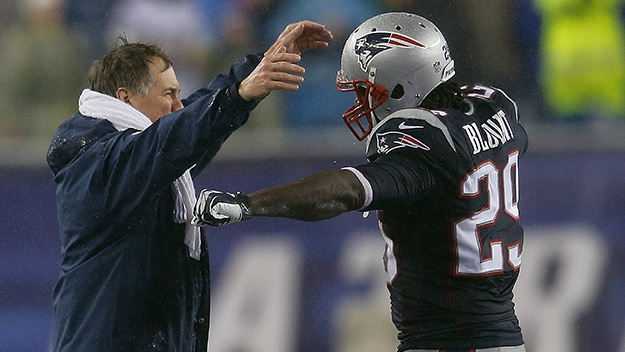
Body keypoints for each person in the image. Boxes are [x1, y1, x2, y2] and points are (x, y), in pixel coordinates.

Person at [192, 12, 528, 352]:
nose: (360, 103)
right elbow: (501, 145)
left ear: (401, 86)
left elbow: (350, 189)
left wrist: (249, 204)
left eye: (366, 91)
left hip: (449, 342)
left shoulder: (425, 143)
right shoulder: (492, 108)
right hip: (503, 338)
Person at [46, 20, 332, 352]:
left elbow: (186, 126)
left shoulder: (144, 158)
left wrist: (259, 67)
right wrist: (237, 95)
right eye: (168, 94)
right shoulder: (100, 164)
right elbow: (173, 138)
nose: (178, 105)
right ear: (125, 98)